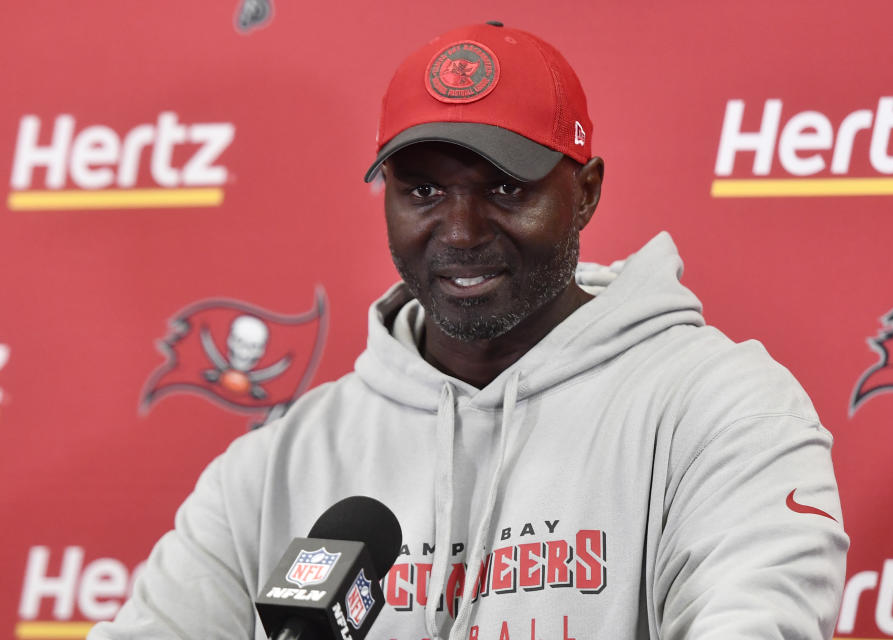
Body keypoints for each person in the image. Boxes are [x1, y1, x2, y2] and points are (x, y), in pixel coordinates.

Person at [89, 22, 848, 640]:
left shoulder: (721, 410)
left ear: (584, 194)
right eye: (423, 189)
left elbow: (756, 619)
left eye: (507, 188)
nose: (459, 230)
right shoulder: (279, 463)